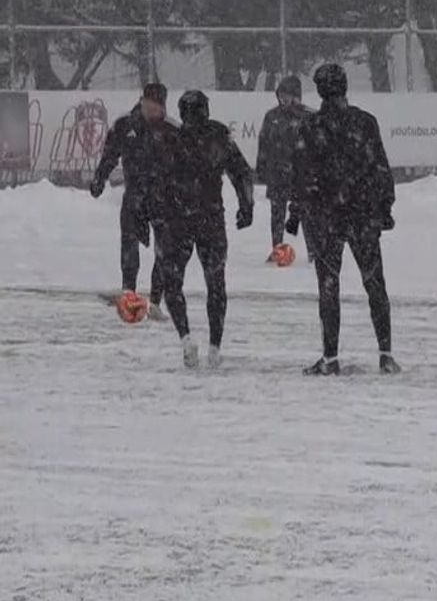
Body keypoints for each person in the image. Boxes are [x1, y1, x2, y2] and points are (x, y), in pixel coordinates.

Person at [287, 63, 399, 376]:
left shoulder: (311, 127)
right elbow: (380, 166)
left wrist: (297, 210)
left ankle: (330, 357)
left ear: (320, 90)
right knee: (375, 283)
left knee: (328, 286)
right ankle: (386, 354)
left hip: (326, 216)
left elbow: (302, 175)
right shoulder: (364, 123)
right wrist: (384, 207)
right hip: (362, 214)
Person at [153, 91, 255, 368]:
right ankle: (215, 346)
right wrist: (247, 206)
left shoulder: (172, 139)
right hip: (210, 218)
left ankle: (186, 337)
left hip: (179, 220)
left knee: (173, 283)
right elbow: (242, 172)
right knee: (216, 283)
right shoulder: (219, 137)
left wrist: (155, 216)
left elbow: (156, 183)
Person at [89, 83, 177, 321]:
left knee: (165, 249)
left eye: (158, 107)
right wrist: (99, 178)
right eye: (149, 104)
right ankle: (128, 292)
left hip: (163, 199)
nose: (153, 110)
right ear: (142, 101)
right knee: (129, 243)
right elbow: (109, 155)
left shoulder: (172, 130)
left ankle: (156, 300)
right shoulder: (124, 125)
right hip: (135, 195)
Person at [256, 75, 315, 264]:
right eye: (281, 95)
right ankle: (277, 247)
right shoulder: (271, 117)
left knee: (306, 214)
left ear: (296, 96)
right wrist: (262, 167)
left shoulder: (308, 117)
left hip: (301, 175)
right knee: (277, 212)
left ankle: (314, 251)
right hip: (277, 173)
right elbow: (263, 142)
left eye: (287, 95)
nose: (283, 99)